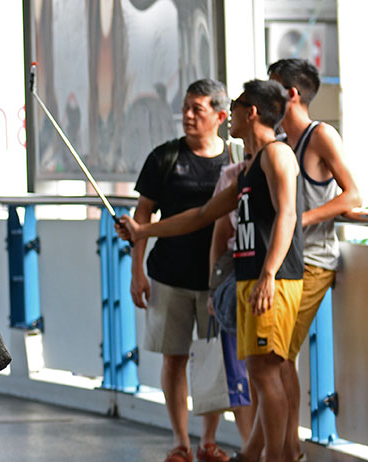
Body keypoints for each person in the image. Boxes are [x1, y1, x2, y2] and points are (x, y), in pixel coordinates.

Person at [118, 79, 303, 462]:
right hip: (249, 278)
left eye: (235, 106)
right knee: (260, 372)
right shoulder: (249, 168)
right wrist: (142, 231)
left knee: (267, 373)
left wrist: (269, 274)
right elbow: (202, 215)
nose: (229, 114)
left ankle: (279, 456)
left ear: (251, 112)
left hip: (273, 280)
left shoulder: (277, 154)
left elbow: (288, 215)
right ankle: (261, 454)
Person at [129, 79, 231, 462]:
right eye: (185, 107)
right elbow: (142, 216)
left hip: (216, 280)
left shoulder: (234, 160)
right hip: (168, 276)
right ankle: (180, 442)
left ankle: (209, 441)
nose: (187, 115)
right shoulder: (164, 157)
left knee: (213, 361)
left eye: (197, 109)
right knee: (173, 358)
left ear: (220, 116)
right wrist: (137, 271)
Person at [267, 58, 362, 462]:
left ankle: (289, 450)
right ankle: (286, 448)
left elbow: (352, 195)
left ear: (291, 93)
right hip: (283, 259)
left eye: (272, 87)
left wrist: (298, 221)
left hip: (313, 260)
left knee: (277, 356)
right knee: (275, 357)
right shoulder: (278, 142)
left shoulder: (319, 135)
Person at [207, 158, 256, 447]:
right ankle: (250, 446)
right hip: (233, 279)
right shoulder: (232, 175)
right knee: (239, 373)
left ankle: (272, 449)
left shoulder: (283, 161)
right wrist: (214, 290)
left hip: (271, 279)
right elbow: (217, 228)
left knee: (268, 372)